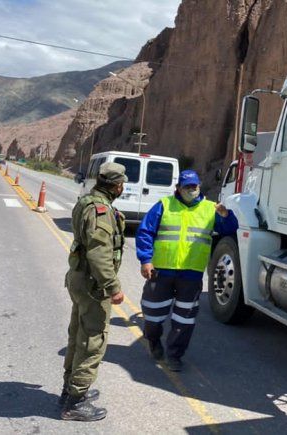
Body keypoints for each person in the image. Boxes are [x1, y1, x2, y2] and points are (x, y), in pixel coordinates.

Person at [136, 170, 238, 371]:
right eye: (187, 187)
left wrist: (227, 215)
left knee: (184, 319)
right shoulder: (164, 205)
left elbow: (229, 229)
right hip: (161, 271)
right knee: (153, 315)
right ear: (178, 189)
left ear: (199, 187)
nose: (192, 190)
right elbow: (145, 232)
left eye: (195, 186)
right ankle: (154, 341)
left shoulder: (210, 209)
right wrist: (146, 260)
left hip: (191, 274)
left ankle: (174, 355)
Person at [60, 162, 127, 422]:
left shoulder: (87, 200)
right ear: (116, 185)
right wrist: (113, 286)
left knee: (78, 335)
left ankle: (71, 389)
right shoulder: (100, 210)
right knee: (92, 341)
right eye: (122, 184)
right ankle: (75, 402)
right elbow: (99, 253)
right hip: (92, 283)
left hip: (79, 278)